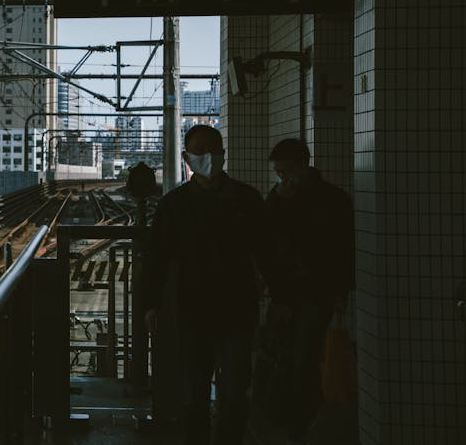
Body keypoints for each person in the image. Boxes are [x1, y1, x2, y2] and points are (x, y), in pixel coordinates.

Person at [144, 125, 284, 445]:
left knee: (234, 390)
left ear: (223, 154)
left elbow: (267, 252)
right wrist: (151, 302)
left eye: (214, 149)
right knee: (195, 390)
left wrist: (281, 296)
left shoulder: (246, 200)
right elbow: (158, 257)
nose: (208, 156)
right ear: (187, 158)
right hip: (195, 309)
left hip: (234, 308)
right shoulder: (174, 205)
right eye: (200, 150)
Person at [265, 138, 354, 445]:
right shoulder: (279, 198)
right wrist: (278, 199)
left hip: (317, 291)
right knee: (280, 352)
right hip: (284, 291)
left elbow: (343, 248)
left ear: (304, 166)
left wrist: (341, 290)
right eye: (278, 173)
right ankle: (290, 416)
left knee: (302, 356)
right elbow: (266, 236)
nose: (283, 179)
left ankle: (299, 422)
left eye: (287, 171)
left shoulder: (332, 200)